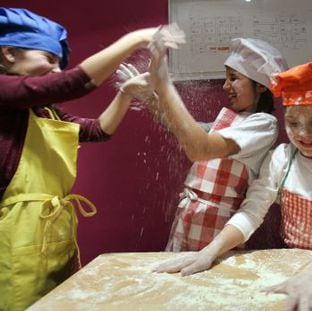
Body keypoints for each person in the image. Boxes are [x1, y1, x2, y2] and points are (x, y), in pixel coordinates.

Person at [153, 58, 312, 310]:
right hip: (292, 264)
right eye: (293, 123)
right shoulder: (281, 158)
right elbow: (252, 212)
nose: (303, 134)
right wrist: (209, 252)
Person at [0, 7, 181, 310]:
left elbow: (98, 131)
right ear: (8, 53)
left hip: (52, 232)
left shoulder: (46, 110)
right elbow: (72, 83)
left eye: (60, 63)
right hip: (13, 236)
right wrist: (135, 38)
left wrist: (125, 92)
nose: (57, 71)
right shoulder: (3, 92)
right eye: (49, 59)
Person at [121, 37, 288, 252]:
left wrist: (165, 88)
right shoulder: (228, 119)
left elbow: (200, 149)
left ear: (261, 86)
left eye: (233, 78)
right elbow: (187, 131)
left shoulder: (263, 125)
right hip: (189, 214)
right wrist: (151, 99)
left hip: (218, 224)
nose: (226, 85)